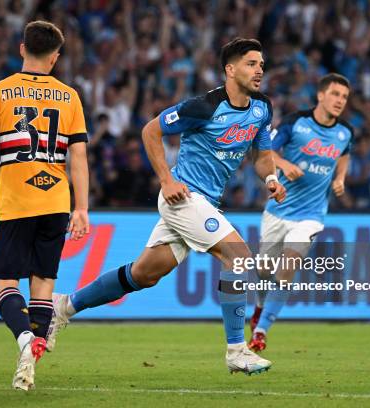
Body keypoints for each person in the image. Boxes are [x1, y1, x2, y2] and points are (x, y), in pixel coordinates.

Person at [48, 38, 286, 375]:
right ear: (230, 70)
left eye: (262, 64)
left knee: (144, 274)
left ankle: (66, 305)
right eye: (251, 63)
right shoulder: (203, 106)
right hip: (183, 197)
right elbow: (150, 131)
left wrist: (271, 180)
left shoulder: (262, 108)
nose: (260, 69)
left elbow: (262, 157)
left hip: (205, 203)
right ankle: (237, 350)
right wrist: (166, 180)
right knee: (238, 256)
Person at [0, 21, 89, 391]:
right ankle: (30, 363)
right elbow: (79, 157)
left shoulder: (1, 92)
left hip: (16, 200)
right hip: (56, 201)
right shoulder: (70, 96)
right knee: (43, 286)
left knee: (3, 282)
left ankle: (24, 342)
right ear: (55, 56)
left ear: (22, 49)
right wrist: (80, 208)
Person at [248, 73, 353, 352]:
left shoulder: (345, 132)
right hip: (279, 209)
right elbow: (266, 151)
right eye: (335, 94)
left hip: (311, 215)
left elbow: (344, 154)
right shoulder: (296, 122)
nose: (339, 101)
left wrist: (340, 178)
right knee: (263, 270)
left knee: (289, 264)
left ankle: (261, 331)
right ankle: (259, 307)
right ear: (321, 95)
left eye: (344, 97)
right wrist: (282, 165)